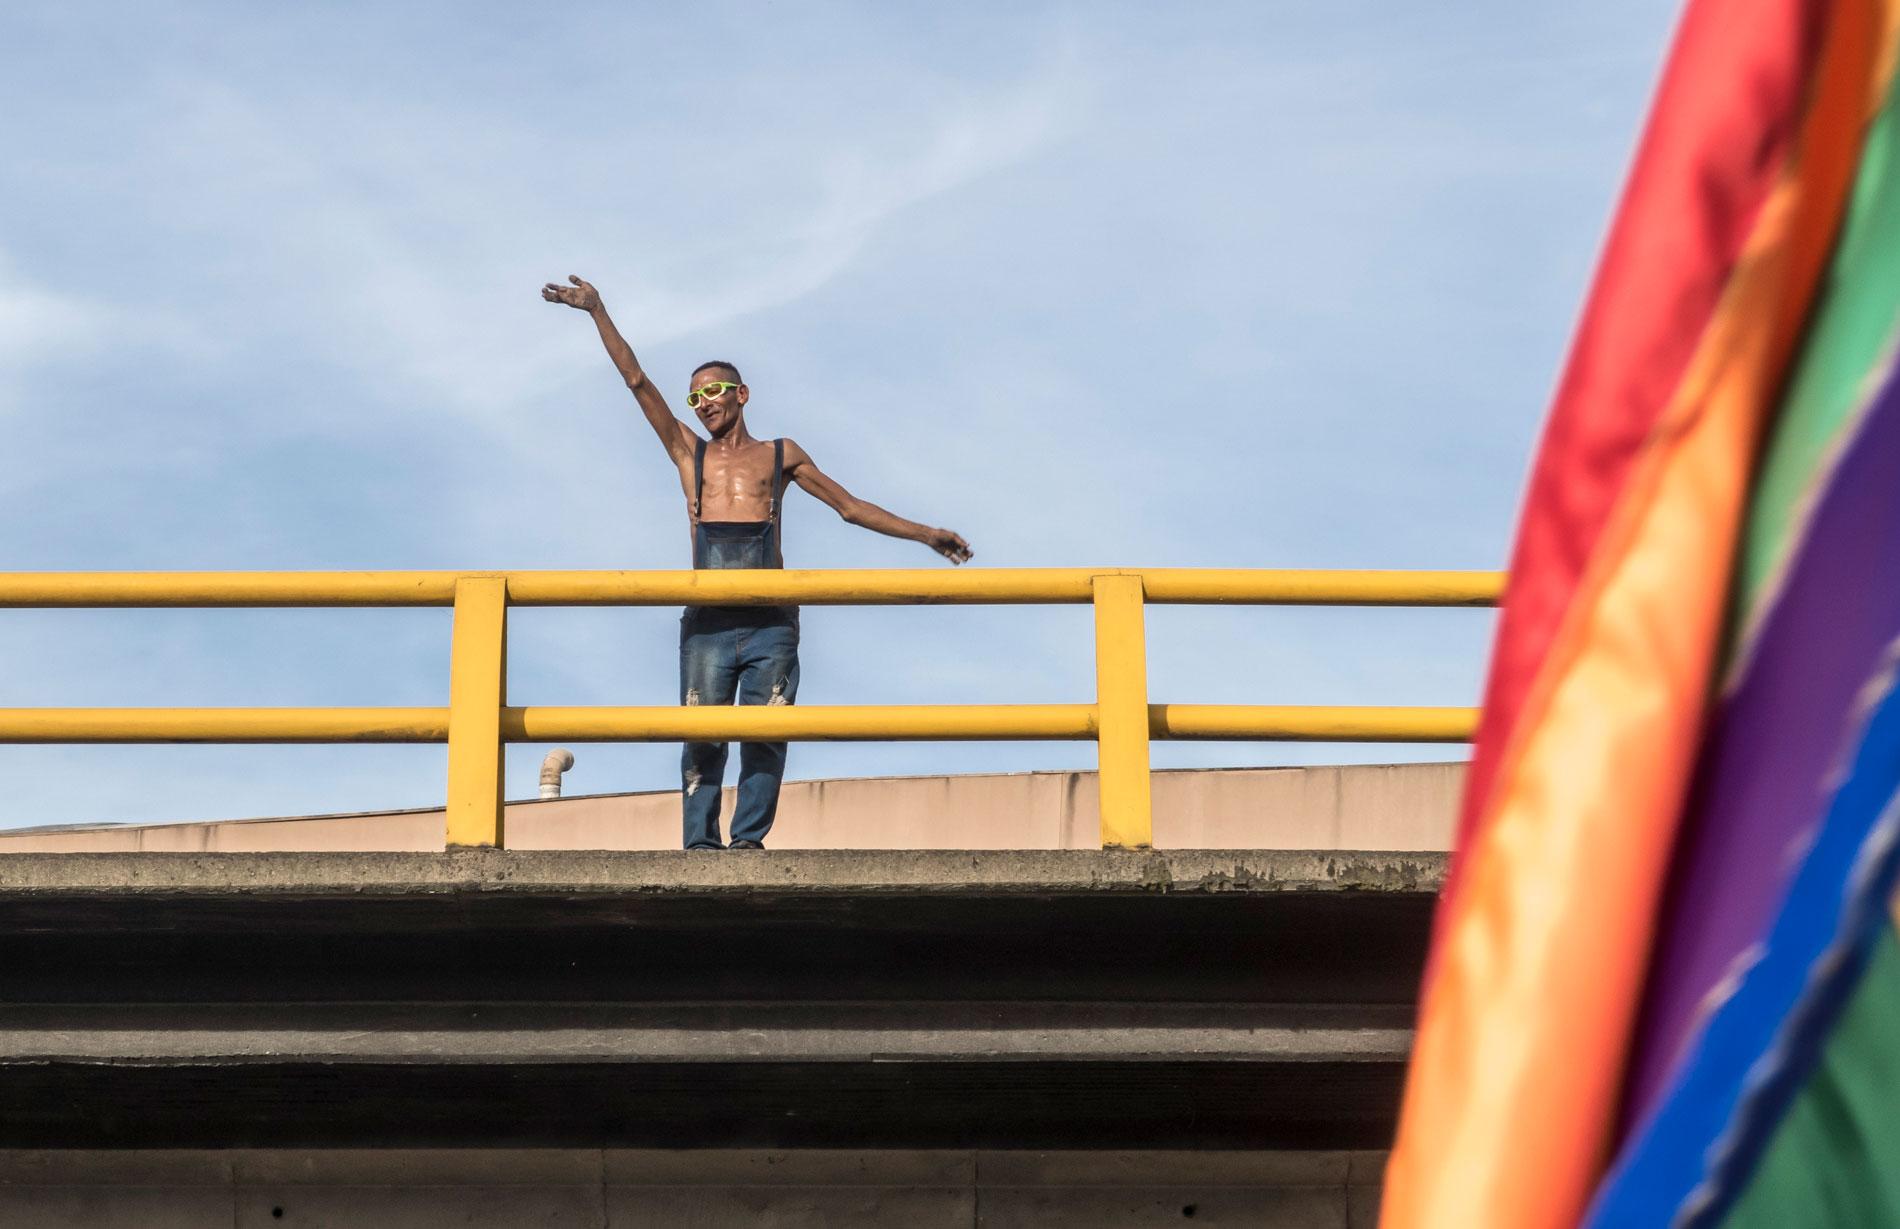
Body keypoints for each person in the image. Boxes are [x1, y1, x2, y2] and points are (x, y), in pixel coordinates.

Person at [542, 275, 973, 850]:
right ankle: (700, 849)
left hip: (771, 620)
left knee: (767, 734)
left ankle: (748, 844)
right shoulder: (686, 451)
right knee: (701, 737)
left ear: (741, 394)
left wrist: (924, 534)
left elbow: (849, 507)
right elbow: (637, 381)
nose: (702, 405)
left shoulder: (780, 454)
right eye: (694, 398)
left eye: (712, 392)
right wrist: (597, 311)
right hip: (708, 622)